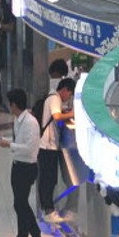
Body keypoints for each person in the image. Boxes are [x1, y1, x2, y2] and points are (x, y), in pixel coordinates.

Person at [0, 88, 44, 237]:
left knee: (20, 204)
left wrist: (9, 145)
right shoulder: (18, 120)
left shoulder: (30, 122)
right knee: (20, 203)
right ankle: (35, 236)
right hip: (18, 165)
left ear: (14, 105)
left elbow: (31, 149)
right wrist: (3, 142)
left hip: (27, 167)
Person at [39, 78, 76, 224]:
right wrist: (72, 114)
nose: (69, 97)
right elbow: (57, 116)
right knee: (48, 180)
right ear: (65, 89)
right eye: (70, 94)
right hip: (48, 145)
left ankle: (47, 208)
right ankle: (48, 210)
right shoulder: (55, 98)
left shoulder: (51, 96)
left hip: (48, 145)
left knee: (47, 179)